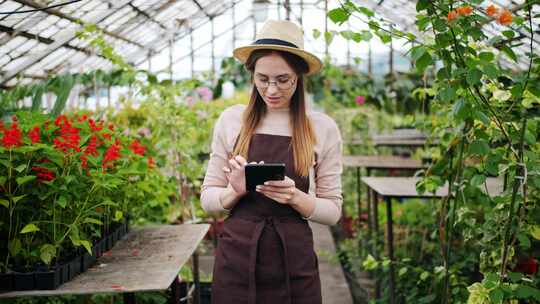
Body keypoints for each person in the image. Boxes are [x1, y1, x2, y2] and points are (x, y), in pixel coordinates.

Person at [200, 19, 343, 304]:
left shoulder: (322, 128)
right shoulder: (231, 120)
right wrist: (234, 191)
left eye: (283, 80)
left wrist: (295, 197)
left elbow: (332, 211)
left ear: (299, 77)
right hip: (237, 257)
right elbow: (207, 199)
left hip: (293, 259)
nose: (272, 90)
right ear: (252, 74)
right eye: (263, 79)